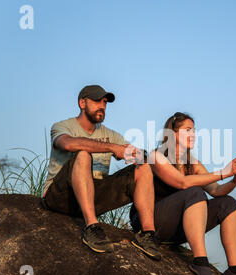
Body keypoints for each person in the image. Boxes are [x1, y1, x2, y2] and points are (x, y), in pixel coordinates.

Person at [130, 112, 236, 275]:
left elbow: (216, 190)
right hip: (152, 222)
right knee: (194, 191)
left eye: (194, 131)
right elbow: (182, 183)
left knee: (228, 203)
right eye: (188, 130)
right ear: (172, 134)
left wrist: (234, 179)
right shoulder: (157, 157)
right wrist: (223, 172)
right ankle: (200, 260)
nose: (194, 135)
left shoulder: (193, 164)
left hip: (178, 227)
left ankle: (235, 270)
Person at [42, 84, 161, 260]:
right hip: (61, 196)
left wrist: (141, 154)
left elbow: (135, 153)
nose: (103, 106)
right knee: (83, 154)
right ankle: (91, 228)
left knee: (143, 168)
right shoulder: (62, 126)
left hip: (93, 196)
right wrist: (112, 148)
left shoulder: (111, 134)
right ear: (82, 103)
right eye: (97, 101)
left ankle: (148, 235)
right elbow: (67, 144)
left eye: (105, 102)